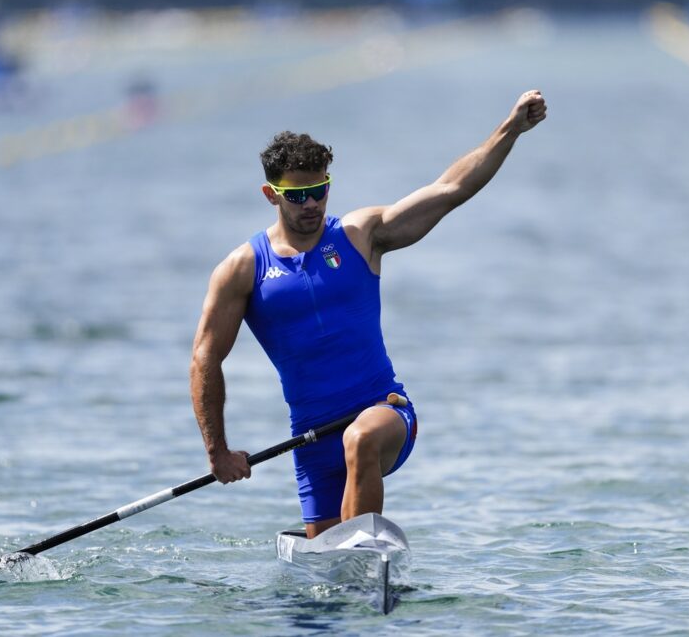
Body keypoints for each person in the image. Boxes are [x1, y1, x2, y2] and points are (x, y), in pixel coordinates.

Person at [191, 90, 547, 538]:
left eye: (320, 191)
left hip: (384, 413)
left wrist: (510, 129)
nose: (312, 205)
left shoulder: (361, 235)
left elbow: (450, 189)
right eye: (298, 195)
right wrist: (218, 452)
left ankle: (366, 556)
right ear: (271, 194)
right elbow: (205, 358)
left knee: (358, 440)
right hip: (312, 442)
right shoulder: (241, 270)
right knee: (325, 586)